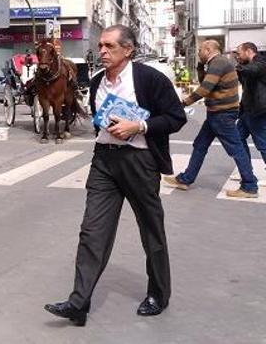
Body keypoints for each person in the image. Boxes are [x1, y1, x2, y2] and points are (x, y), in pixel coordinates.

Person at [45, 25, 186, 326]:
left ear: (128, 49)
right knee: (92, 231)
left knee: (151, 231)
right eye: (101, 46)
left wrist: (139, 127)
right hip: (104, 163)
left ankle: (159, 294)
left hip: (140, 161)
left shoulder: (150, 80)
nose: (103, 51)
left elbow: (176, 117)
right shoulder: (97, 82)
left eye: (109, 46)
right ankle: (78, 303)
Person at [163, 40, 259, 198]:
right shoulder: (217, 63)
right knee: (200, 145)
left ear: (208, 49)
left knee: (236, 149)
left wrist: (182, 103)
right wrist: (200, 66)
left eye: (200, 49)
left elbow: (204, 89)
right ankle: (186, 179)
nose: (199, 52)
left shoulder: (219, 63)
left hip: (222, 114)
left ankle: (249, 186)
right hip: (217, 113)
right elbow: (206, 83)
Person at [234, 42, 266, 180]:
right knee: (238, 139)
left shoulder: (261, 62)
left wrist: (237, 67)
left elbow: (254, 70)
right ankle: (247, 172)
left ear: (248, 51)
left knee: (262, 144)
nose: (238, 57)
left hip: (258, 110)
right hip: (247, 111)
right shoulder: (247, 67)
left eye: (239, 53)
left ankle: (247, 174)